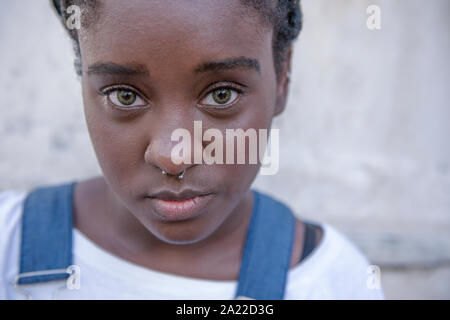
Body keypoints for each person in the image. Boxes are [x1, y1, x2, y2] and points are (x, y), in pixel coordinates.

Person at [0, 0, 384, 299]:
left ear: (282, 79)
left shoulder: (330, 282)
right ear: (82, 75)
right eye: (124, 95)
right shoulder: (9, 244)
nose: (173, 155)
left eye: (221, 94)